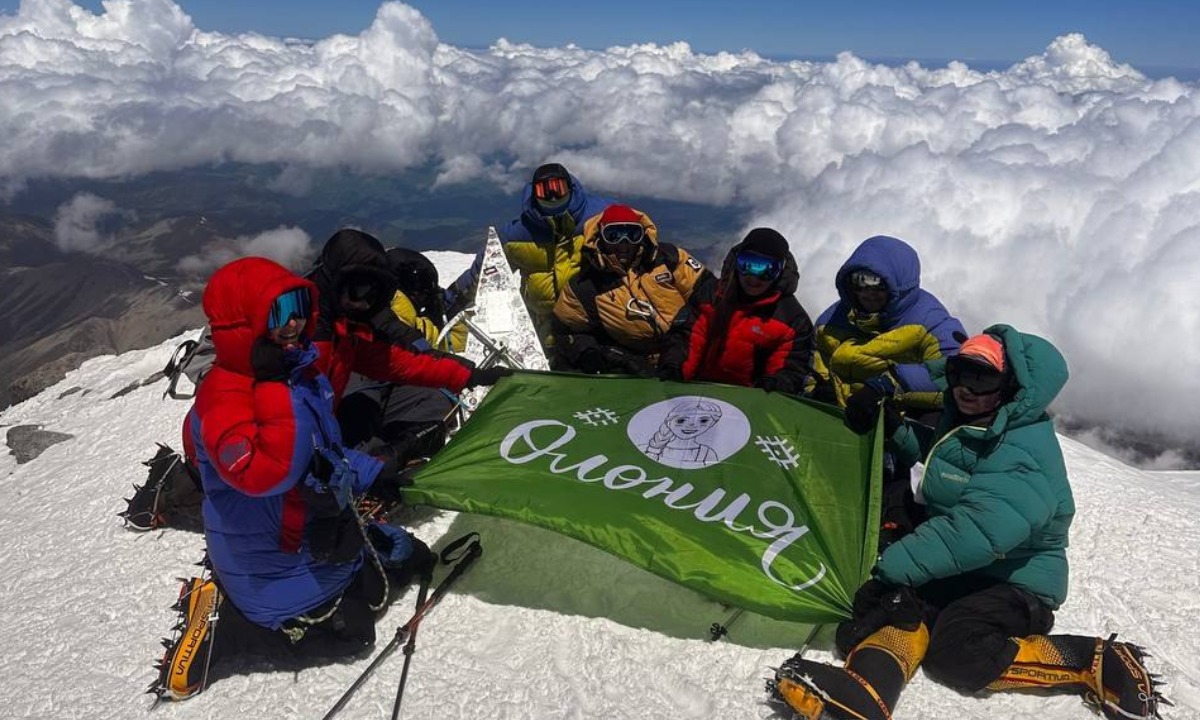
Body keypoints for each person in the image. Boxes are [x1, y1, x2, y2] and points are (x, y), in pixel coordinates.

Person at [768, 327, 1165, 720]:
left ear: (1010, 386)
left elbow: (978, 531)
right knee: (899, 608)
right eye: (960, 374)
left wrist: (888, 566)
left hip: (1015, 583)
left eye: (982, 377)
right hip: (967, 573)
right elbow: (948, 467)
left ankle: (1093, 660)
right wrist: (896, 431)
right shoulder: (977, 422)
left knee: (956, 650)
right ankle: (865, 691)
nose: (966, 388)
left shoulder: (1021, 450)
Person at [154, 257, 437, 701]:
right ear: (241, 325)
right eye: (278, 314)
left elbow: (321, 455)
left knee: (414, 556)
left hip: (303, 538)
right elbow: (269, 474)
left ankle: (235, 597)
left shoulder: (296, 374)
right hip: (272, 564)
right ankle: (227, 633)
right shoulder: (225, 401)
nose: (294, 324)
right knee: (355, 634)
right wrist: (269, 383)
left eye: (298, 309)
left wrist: (377, 472)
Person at [812, 235, 965, 545]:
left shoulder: (929, 320)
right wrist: (816, 392)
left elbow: (954, 374)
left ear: (899, 285)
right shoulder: (831, 320)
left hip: (907, 427)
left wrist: (891, 384)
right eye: (860, 281)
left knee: (904, 494)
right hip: (851, 421)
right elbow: (814, 367)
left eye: (878, 283)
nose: (868, 291)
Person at [443, 163, 615, 342]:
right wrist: (449, 300)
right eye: (544, 190)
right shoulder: (518, 234)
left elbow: (640, 238)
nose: (552, 196)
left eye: (558, 188)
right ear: (534, 193)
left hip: (599, 327)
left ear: (570, 188)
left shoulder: (601, 217)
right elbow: (483, 272)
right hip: (543, 335)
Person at [551, 204, 713, 375]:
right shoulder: (585, 287)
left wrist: (682, 336)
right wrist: (596, 354)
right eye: (613, 236)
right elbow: (565, 331)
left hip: (693, 351)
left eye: (632, 234)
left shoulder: (669, 258)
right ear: (600, 238)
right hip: (635, 370)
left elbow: (708, 292)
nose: (624, 244)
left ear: (642, 235)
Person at [658, 228, 813, 395]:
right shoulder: (711, 294)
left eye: (767, 269)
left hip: (751, 404)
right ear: (736, 263)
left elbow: (791, 368)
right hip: (696, 391)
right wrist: (675, 368)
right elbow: (687, 336)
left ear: (781, 272)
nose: (753, 277)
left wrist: (775, 385)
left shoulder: (793, 320)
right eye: (746, 264)